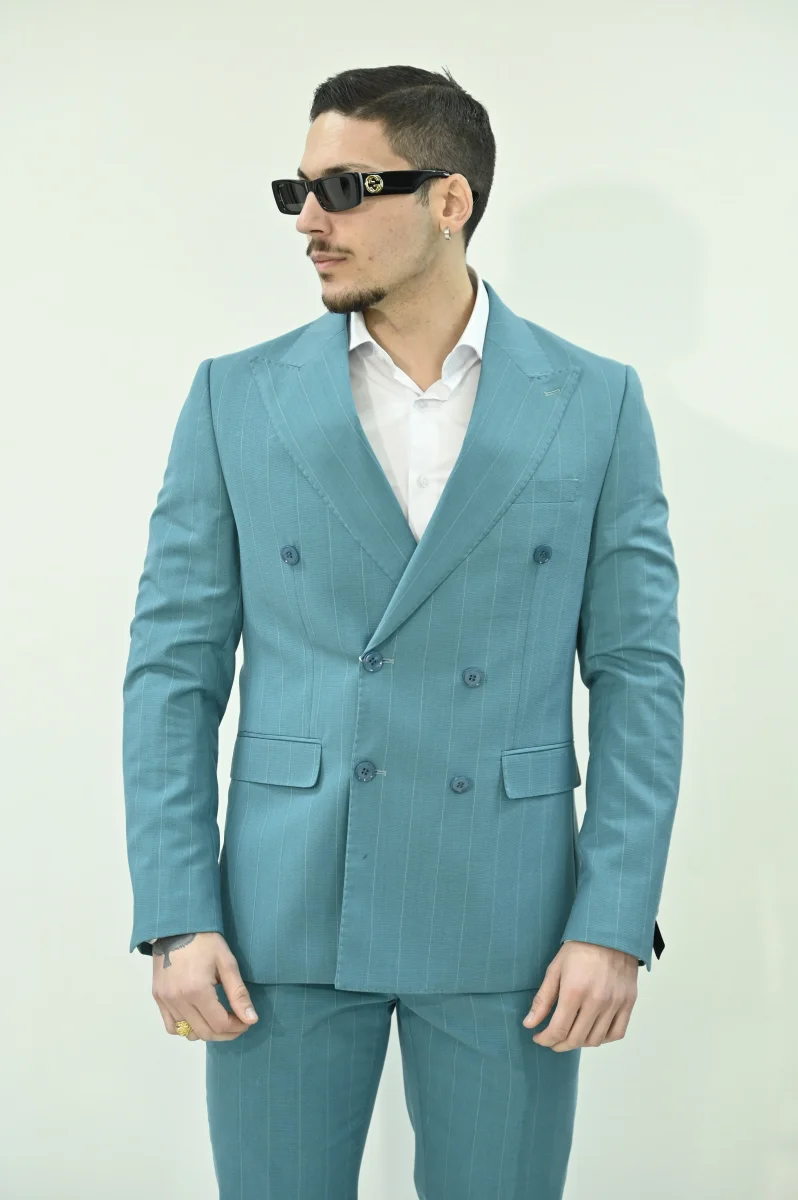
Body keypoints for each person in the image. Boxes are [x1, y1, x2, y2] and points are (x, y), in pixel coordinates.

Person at [122, 64, 684, 1200]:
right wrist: (176, 914)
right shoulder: (236, 397)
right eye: (296, 190)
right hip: (279, 914)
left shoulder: (596, 400)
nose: (309, 220)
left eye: (344, 187)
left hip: (513, 918)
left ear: (449, 200)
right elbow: (172, 675)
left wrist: (615, 920)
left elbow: (638, 678)